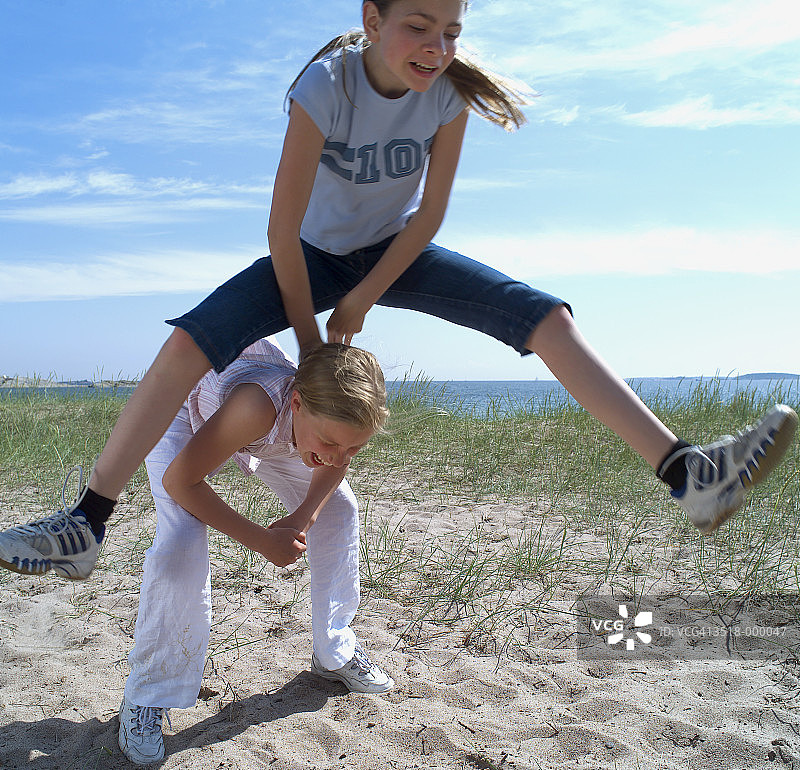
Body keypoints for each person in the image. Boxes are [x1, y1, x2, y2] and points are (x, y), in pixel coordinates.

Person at [0, 0, 797, 580]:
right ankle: (86, 524)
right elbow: (281, 230)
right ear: (372, 18)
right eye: (419, 25)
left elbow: (429, 214)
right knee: (187, 343)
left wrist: (362, 300)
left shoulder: (448, 93)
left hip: (395, 252)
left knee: (545, 317)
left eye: (451, 30)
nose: (437, 46)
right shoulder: (325, 87)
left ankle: (688, 475)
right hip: (308, 253)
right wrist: (310, 339)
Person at [112, 337, 393, 765]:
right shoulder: (257, 407)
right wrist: (261, 540)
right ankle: (147, 695)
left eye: (354, 447)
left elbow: (334, 463)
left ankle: (333, 651)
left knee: (339, 507)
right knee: (181, 541)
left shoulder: (328, 420)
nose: (340, 457)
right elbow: (180, 481)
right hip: (178, 401)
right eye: (331, 443)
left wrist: (303, 518)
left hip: (269, 424)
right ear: (296, 404)